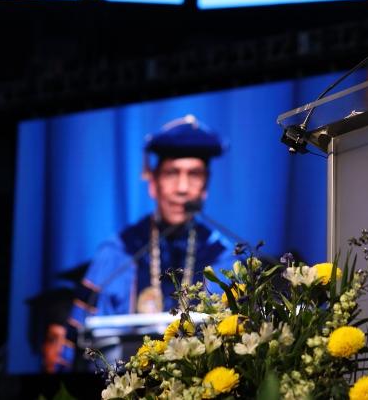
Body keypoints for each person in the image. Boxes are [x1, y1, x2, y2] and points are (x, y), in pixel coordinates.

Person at [44, 114, 239, 372]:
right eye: (172, 173)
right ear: (153, 184)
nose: (182, 188)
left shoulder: (223, 258)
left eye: (194, 174)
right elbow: (72, 355)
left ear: (205, 188)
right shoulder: (118, 254)